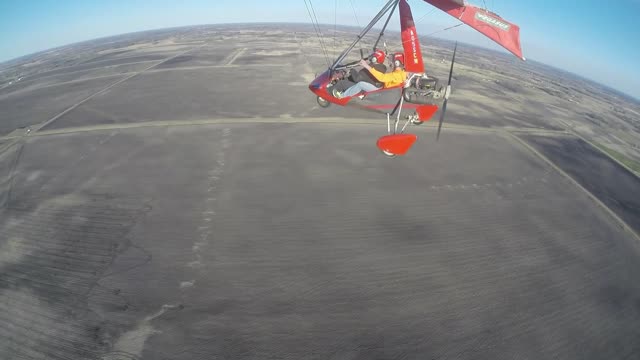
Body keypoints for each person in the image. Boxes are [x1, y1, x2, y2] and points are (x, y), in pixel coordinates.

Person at [336, 52, 407, 99]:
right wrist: (388, 56)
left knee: (361, 84)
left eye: (393, 61)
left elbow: (382, 77)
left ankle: (342, 96)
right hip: (381, 87)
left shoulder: (397, 75)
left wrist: (367, 66)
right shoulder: (401, 72)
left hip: (381, 90)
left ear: (397, 63)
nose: (390, 63)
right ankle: (354, 92)